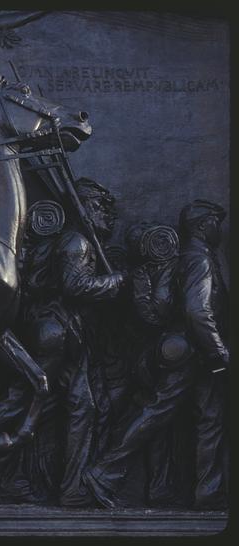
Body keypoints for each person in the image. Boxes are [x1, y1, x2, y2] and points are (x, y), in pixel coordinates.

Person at [84, 200, 229, 510]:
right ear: (204, 226)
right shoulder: (197, 260)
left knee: (205, 418)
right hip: (193, 351)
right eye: (216, 222)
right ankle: (104, 471)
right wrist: (217, 352)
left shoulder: (189, 258)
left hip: (186, 350)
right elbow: (197, 310)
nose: (221, 229)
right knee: (159, 412)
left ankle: (207, 493)